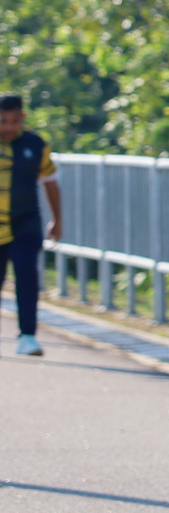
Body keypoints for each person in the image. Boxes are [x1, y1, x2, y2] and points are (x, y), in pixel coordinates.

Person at [1, 94, 62, 357]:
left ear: (23, 118)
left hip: (26, 222)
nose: (8, 127)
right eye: (3, 121)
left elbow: (50, 182)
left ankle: (28, 337)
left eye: (14, 121)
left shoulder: (35, 144)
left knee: (27, 277)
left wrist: (57, 219)